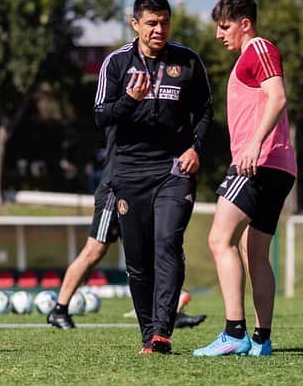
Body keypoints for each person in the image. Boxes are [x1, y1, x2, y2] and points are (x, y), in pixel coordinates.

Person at [94, 0, 213, 354]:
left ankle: (162, 330)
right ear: (135, 24)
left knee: (167, 241)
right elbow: (101, 115)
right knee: (139, 258)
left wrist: (196, 148)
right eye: (151, 23)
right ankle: (149, 334)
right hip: (129, 171)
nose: (159, 29)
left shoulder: (188, 61)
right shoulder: (116, 64)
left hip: (174, 168)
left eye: (164, 22)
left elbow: (206, 111)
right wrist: (130, 100)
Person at [194, 0, 297, 357]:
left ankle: (234, 332)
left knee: (219, 240)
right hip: (278, 166)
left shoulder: (258, 49)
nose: (220, 35)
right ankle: (261, 340)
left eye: (225, 27)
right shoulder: (248, 57)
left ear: (245, 23)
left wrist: (254, 144)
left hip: (259, 162)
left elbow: (278, 97)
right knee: (255, 253)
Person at [47, 129, 206, 331]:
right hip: (115, 190)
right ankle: (59, 309)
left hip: (141, 187)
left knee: (152, 250)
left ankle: (165, 314)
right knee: (94, 250)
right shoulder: (126, 106)